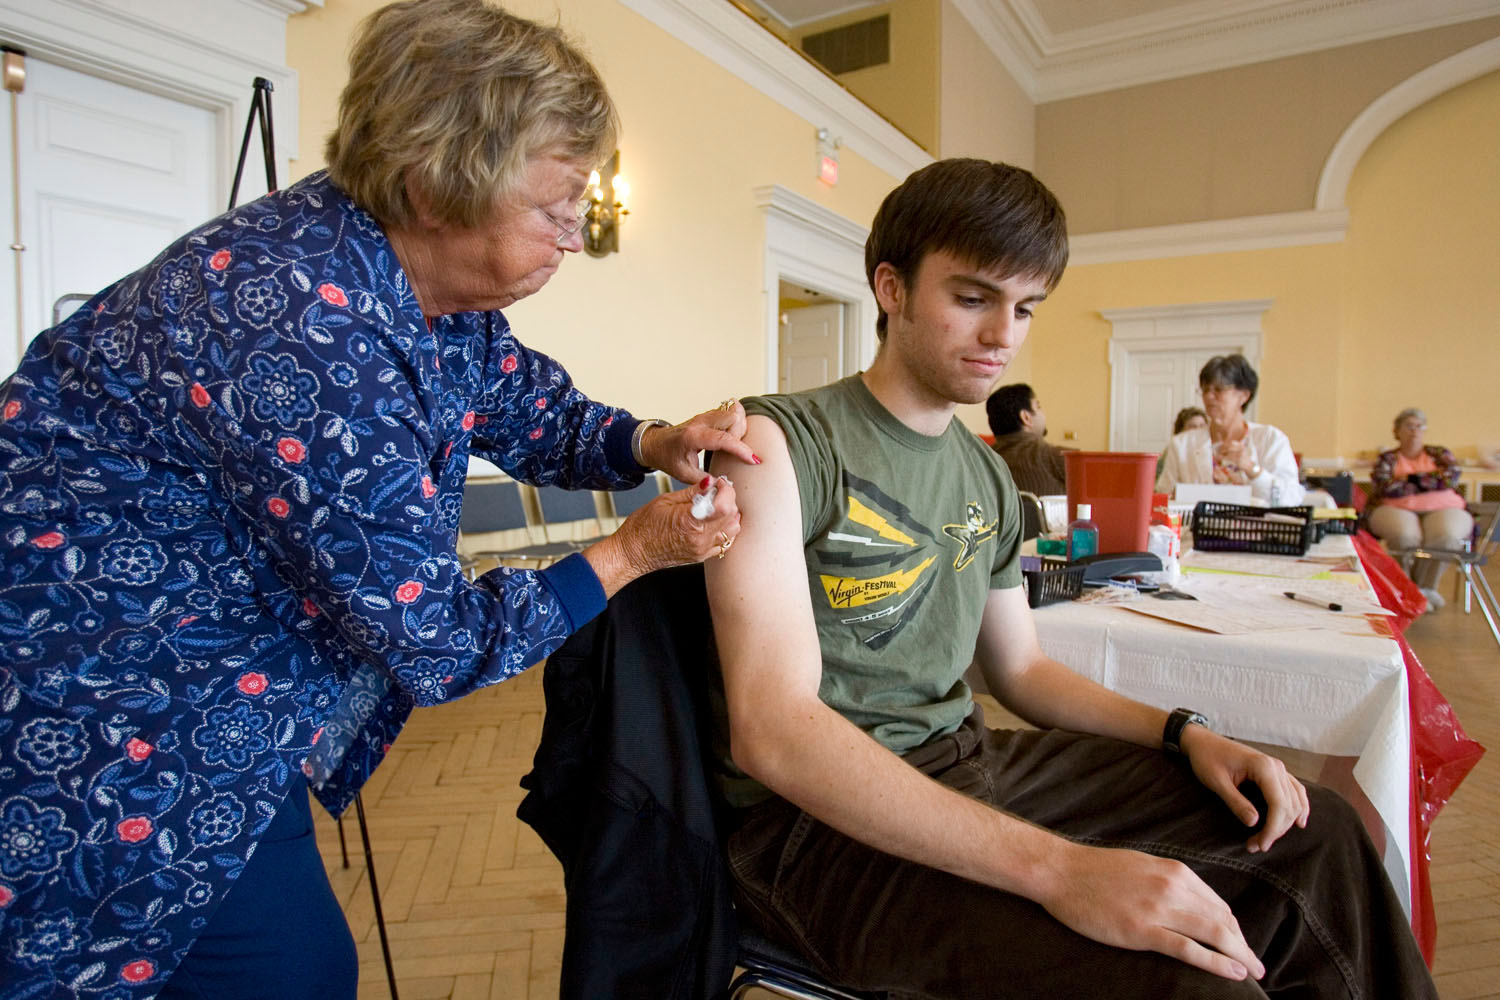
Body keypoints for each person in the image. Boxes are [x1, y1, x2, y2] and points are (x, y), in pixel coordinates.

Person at [0, 2, 750, 997]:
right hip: (101, 691)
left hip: (200, 677)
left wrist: (651, 440)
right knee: (283, 973)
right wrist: (631, 553)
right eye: (556, 208)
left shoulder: (417, 282)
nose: (575, 237)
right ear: (433, 188)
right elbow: (436, 640)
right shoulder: (303, 325)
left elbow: (518, 398)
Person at [703, 158, 1434, 999]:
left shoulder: (985, 480)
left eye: (1024, 309)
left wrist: (1187, 733)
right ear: (891, 288)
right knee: (1188, 982)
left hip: (966, 762)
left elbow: (1024, 671)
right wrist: (1064, 872)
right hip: (815, 832)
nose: (1003, 336)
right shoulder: (778, 445)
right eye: (973, 298)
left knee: (1316, 830)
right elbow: (776, 732)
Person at [1157, 355, 1304, 505]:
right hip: (1196, 527)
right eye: (1205, 390)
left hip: (1256, 527)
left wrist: (1251, 469)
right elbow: (1163, 497)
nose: (1208, 396)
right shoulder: (1182, 444)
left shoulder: (1270, 439)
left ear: (1244, 396)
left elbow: (1291, 498)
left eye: (1218, 390)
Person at [1367, 407, 1474, 609]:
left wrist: (1407, 480)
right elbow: (1387, 487)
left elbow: (1449, 479)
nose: (1414, 431)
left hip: (1444, 508)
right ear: (1397, 431)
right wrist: (1429, 481)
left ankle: (1424, 590)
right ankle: (1406, 590)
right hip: (1396, 508)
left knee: (1447, 536)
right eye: (1409, 426)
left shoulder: (1439, 454)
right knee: (1406, 536)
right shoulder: (1387, 459)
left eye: (1419, 426)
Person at [985, 382, 1070, 496]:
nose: (1043, 413)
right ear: (1026, 417)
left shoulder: (981, 461)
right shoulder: (1063, 458)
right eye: (1038, 406)